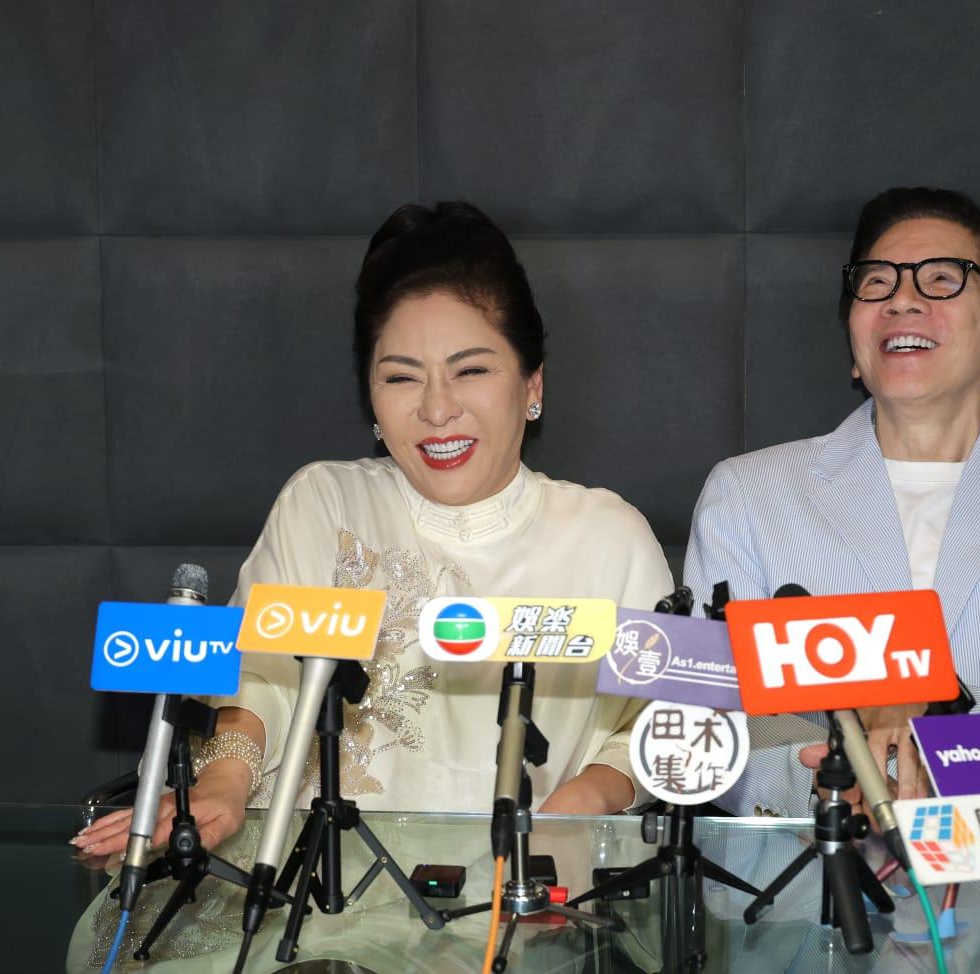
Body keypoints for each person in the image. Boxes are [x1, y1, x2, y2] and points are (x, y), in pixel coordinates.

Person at [74, 200, 672, 864]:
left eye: (471, 370)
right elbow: (258, 680)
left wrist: (588, 797)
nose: (437, 409)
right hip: (309, 881)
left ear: (532, 385)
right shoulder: (326, 503)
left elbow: (663, 724)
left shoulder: (608, 538)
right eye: (401, 377)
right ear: (372, 399)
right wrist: (223, 781)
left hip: (525, 886)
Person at [684, 186, 980, 819]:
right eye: (876, 283)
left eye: (942, 279)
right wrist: (830, 783)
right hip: (808, 859)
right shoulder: (749, 494)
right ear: (855, 344)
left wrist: (946, 736)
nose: (901, 299)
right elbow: (708, 714)